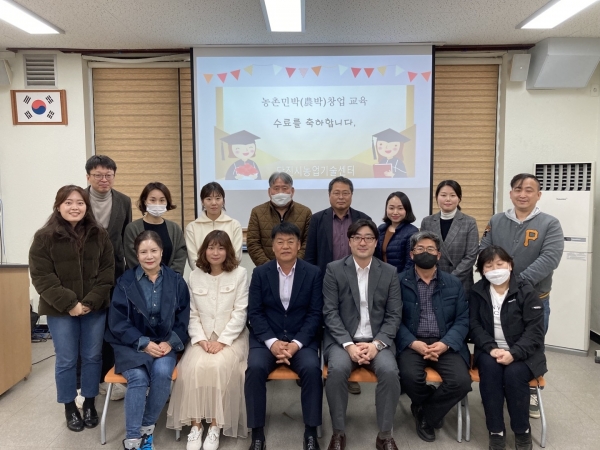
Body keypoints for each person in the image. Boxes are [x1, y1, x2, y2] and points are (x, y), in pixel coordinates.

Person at [29, 185, 114, 432]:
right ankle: (69, 406)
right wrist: (70, 304)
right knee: (66, 359)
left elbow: (108, 272)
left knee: (92, 356)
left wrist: (88, 303)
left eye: (80, 202)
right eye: (68, 202)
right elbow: (42, 277)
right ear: (58, 206)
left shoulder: (99, 234)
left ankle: (89, 403)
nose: (74, 207)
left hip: (94, 308)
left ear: (87, 206)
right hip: (59, 310)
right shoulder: (44, 237)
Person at [479, 173, 563, 418]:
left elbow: (550, 258)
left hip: (534, 298)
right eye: (518, 189)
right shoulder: (496, 220)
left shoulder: (550, 223)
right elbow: (484, 251)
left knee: (532, 344)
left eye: (529, 190)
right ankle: (499, 388)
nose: (522, 194)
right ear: (510, 193)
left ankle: (531, 390)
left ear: (538, 195)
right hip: (496, 298)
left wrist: (515, 283)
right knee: (498, 342)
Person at [105, 230, 190, 450]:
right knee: (138, 377)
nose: (149, 256)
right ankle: (133, 441)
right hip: (131, 344)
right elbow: (118, 322)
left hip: (164, 343)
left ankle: (146, 430)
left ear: (161, 252)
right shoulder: (125, 282)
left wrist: (170, 342)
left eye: (153, 250)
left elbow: (183, 318)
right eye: (143, 252)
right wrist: (143, 343)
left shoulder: (176, 281)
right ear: (137, 255)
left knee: (162, 373)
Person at [323, 219, 402, 450]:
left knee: (389, 371)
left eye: (368, 237)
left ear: (376, 242)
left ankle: (385, 435)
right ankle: (338, 433)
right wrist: (349, 345)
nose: (363, 242)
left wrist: (376, 345)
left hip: (377, 340)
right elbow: (330, 312)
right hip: (343, 341)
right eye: (357, 237)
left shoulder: (389, 272)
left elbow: (394, 315)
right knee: (337, 370)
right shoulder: (334, 269)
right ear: (349, 241)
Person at [167, 230, 249, 450]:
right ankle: (196, 426)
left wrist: (222, 341)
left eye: (221, 248)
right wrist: (201, 340)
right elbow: (191, 313)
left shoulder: (240, 274)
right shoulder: (195, 276)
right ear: (204, 250)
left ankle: (214, 425)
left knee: (219, 366)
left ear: (228, 251)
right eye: (211, 247)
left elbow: (240, 312)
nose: (215, 252)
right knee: (192, 367)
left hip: (231, 337)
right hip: (202, 336)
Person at [245, 222, 323, 450]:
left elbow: (315, 313)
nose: (285, 246)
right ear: (273, 246)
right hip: (267, 339)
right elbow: (255, 313)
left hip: (301, 340)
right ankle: (257, 434)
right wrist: (272, 342)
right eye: (280, 242)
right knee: (255, 369)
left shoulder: (313, 273)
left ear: (299, 245)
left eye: (291, 242)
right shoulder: (260, 273)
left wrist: (296, 344)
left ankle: (311, 432)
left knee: (312, 369)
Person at [396, 231, 471, 443]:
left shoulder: (453, 283)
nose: (425, 253)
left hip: (445, 343)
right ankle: (429, 405)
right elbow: (392, 319)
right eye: (420, 249)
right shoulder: (399, 281)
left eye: (430, 249)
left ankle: (425, 414)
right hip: (413, 343)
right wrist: (413, 342)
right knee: (408, 377)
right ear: (411, 254)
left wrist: (446, 343)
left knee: (461, 382)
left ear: (439, 255)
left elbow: (462, 319)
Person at [469, 245, 546, 450]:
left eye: (500, 264)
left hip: (524, 352)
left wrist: (514, 353)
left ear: (510, 265)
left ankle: (522, 430)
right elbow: (473, 325)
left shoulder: (526, 290)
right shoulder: (477, 291)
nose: (495, 269)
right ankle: (496, 431)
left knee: (514, 375)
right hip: (489, 350)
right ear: (482, 270)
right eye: (488, 266)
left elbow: (535, 331)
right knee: (490, 372)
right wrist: (491, 348)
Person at [304, 176, 370, 395]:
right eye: (336, 193)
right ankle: (325, 368)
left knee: (352, 323)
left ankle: (349, 372)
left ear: (352, 195)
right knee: (325, 324)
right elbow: (310, 256)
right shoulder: (317, 220)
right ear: (329, 195)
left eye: (345, 193)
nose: (341, 197)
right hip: (326, 282)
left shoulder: (363, 219)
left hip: (358, 282)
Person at [85, 154, 132, 401]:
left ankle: (108, 377)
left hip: (114, 272)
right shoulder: (78, 199)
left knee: (111, 326)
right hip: (84, 274)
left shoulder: (124, 201)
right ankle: (85, 383)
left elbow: (126, 237)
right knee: (88, 327)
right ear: (88, 177)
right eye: (98, 175)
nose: (104, 179)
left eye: (108, 175)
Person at [421, 180, 479, 295]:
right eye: (443, 195)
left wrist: (451, 279)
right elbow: (423, 253)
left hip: (460, 283)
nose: (448, 199)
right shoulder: (427, 222)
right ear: (436, 197)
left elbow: (471, 256)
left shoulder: (469, 222)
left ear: (459, 198)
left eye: (452, 195)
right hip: (432, 281)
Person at [247, 172, 312, 266]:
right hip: (266, 269)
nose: (280, 192)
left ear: (292, 191)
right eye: (276, 188)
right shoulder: (257, 212)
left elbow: (308, 243)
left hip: (297, 268)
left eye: (285, 188)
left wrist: (294, 265)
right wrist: (269, 267)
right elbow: (253, 243)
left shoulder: (305, 212)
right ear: (269, 191)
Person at [124, 182, 187, 275]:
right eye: (152, 200)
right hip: (139, 281)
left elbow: (180, 257)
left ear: (167, 202)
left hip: (170, 280)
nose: (157, 204)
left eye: (162, 200)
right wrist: (151, 278)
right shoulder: (132, 228)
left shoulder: (175, 229)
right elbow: (132, 259)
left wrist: (168, 278)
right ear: (145, 201)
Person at [185, 182, 243, 268]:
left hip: (229, 273)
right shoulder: (192, 227)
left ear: (223, 201)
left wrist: (223, 273)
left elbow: (236, 256)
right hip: (201, 274)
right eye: (209, 199)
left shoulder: (234, 225)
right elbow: (193, 259)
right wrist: (205, 274)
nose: (214, 203)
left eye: (218, 198)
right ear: (202, 202)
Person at [375, 191, 418, 273]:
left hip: (400, 278)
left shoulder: (412, 232)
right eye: (391, 208)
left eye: (400, 208)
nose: (395, 212)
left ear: (407, 210)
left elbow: (410, 263)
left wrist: (398, 279)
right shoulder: (380, 229)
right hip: (381, 276)